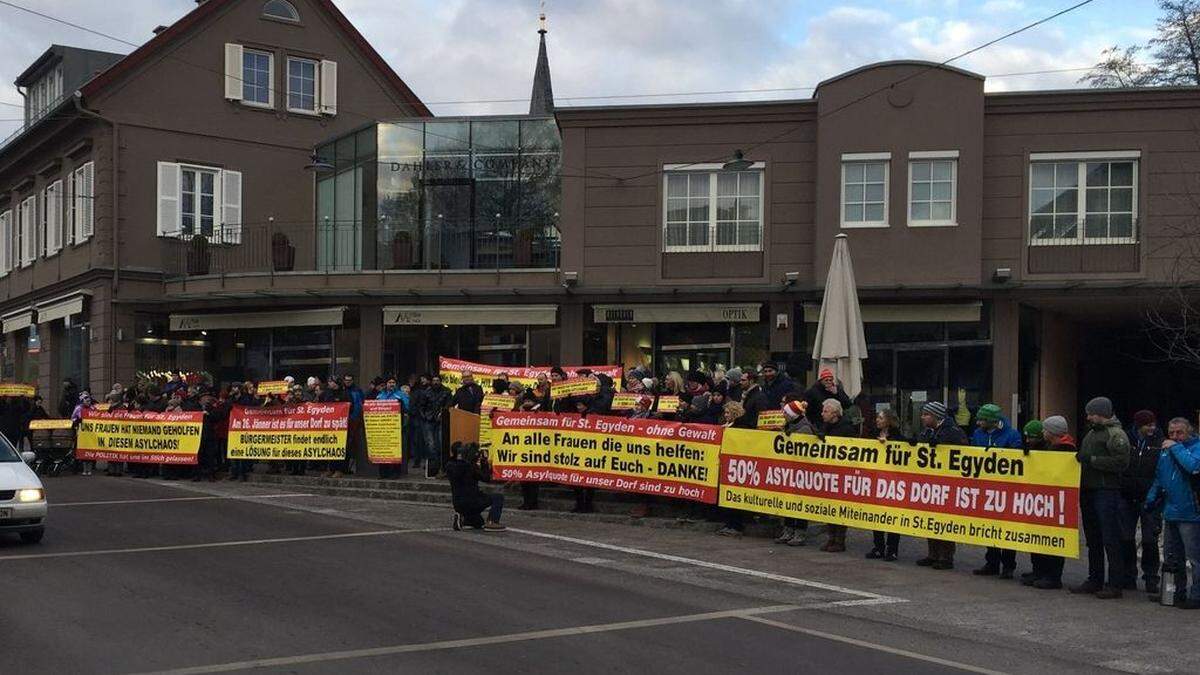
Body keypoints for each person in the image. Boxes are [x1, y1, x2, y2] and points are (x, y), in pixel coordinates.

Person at [1070, 396, 1132, 599]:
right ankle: (1094, 578)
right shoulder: (1091, 434)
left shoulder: (1116, 434)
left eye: (1091, 413)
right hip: (1089, 489)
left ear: (1102, 414)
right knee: (1093, 538)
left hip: (1106, 490)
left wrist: (1092, 460)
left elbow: (1121, 462)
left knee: (1109, 538)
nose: (1088, 417)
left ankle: (1115, 583)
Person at [1144, 417, 1200, 608]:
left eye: (1180, 433)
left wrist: (1176, 447)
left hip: (1191, 512)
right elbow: (1160, 478)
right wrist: (1150, 500)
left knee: (1194, 558)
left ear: (1189, 432)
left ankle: (1197, 595)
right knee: (1172, 557)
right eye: (1172, 433)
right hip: (1171, 510)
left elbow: (1192, 467)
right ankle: (1175, 591)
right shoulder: (1166, 452)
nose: (1175, 436)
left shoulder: (1195, 448)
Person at [970, 403, 1023, 579]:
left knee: (1007, 527)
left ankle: (1008, 565)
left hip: (1007, 487)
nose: (978, 423)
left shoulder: (1012, 434)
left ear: (991, 421)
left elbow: (1017, 457)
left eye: (982, 420)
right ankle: (991, 562)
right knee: (989, 525)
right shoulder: (978, 434)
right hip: (986, 486)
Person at [1023, 415, 1076, 590]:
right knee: (1039, 536)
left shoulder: (1065, 450)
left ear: (1052, 432)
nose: (1043, 432)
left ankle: (1052, 576)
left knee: (1052, 538)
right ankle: (1039, 570)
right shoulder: (1051, 447)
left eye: (1045, 430)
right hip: (1043, 498)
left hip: (1055, 501)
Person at [915, 401, 968, 570]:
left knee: (944, 519)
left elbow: (961, 453)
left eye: (926, 415)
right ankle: (933, 554)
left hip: (947, 482)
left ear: (935, 416)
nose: (922, 417)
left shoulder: (952, 432)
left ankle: (946, 556)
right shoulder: (928, 431)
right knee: (930, 518)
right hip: (930, 481)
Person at [1122, 409, 1165, 596]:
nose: (1152, 428)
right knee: (1126, 537)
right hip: (1127, 494)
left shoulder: (1159, 442)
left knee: (1149, 540)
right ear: (1139, 425)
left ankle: (1151, 577)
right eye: (1148, 424)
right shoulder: (1126, 439)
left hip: (1150, 497)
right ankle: (1128, 575)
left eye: (1153, 424)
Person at [817, 399, 857, 552]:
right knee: (829, 506)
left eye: (825, 411)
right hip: (828, 472)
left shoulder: (846, 428)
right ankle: (831, 538)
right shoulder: (827, 426)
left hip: (841, 472)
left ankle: (839, 540)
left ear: (834, 413)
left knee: (840, 507)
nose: (822, 414)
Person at [867, 408, 906, 561]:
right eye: (877, 417)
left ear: (889, 420)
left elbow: (903, 450)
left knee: (892, 516)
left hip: (893, 482)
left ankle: (892, 549)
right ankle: (878, 546)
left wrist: (889, 444)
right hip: (877, 479)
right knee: (876, 515)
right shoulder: (873, 434)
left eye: (881, 418)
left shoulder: (898, 436)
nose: (877, 420)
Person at [775, 399, 813, 547]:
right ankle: (788, 529)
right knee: (789, 499)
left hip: (801, 470)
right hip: (790, 468)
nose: (783, 414)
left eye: (786, 412)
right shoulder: (790, 425)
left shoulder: (804, 428)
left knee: (799, 501)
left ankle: (800, 532)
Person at [446, 442, 505, 532]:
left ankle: (463, 518)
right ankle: (492, 521)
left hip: (458, 503)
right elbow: (486, 478)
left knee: (479, 523)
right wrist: (484, 462)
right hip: (473, 500)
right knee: (498, 497)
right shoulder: (470, 467)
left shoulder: (449, 465)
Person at [71, 391, 95, 476]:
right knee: (81, 451)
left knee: (90, 451)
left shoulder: (93, 408)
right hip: (81, 433)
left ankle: (90, 469)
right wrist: (78, 421)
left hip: (91, 434)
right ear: (82, 401)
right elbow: (73, 418)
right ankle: (82, 469)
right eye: (87, 401)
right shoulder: (78, 408)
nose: (89, 402)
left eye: (89, 401)